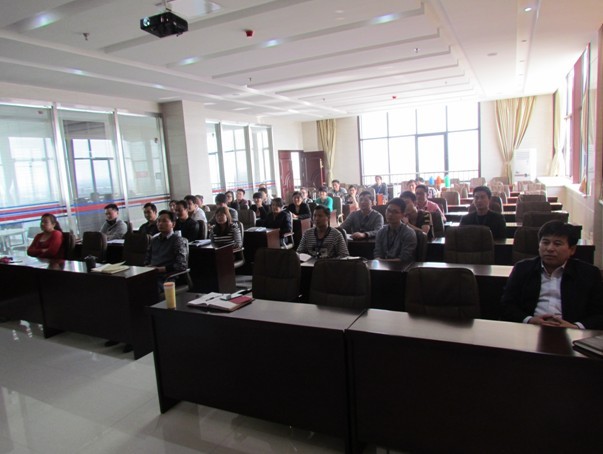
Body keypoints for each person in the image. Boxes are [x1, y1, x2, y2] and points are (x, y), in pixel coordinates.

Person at [501, 221, 603, 330]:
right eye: (545, 242)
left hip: (572, 333)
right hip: (530, 330)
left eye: (557, 244)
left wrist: (575, 327)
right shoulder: (522, 268)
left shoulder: (589, 273)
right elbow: (507, 305)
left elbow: (599, 313)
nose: (550, 248)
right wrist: (529, 320)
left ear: (572, 250)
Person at [144, 209, 188, 281]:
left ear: (173, 224)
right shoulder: (154, 240)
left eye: (164, 221)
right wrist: (148, 267)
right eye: (158, 221)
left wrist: (159, 269)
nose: (160, 224)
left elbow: (181, 265)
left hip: (168, 276)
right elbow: (146, 260)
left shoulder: (177, 240)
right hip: (152, 274)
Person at [374, 198, 417, 262]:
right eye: (388, 210)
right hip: (382, 266)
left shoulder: (409, 233)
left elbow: (404, 259)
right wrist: (379, 260)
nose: (390, 214)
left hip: (402, 267)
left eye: (395, 212)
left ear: (403, 215)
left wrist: (382, 261)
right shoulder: (381, 232)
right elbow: (377, 254)